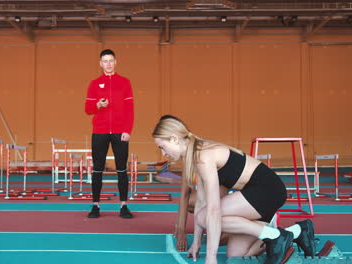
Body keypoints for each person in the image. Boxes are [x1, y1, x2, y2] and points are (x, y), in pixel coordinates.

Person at [152, 115, 316, 264]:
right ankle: (297, 231)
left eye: (162, 147)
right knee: (236, 255)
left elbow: (213, 210)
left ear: (174, 139)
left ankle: (276, 236)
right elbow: (202, 201)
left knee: (205, 217)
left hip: (267, 191)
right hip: (256, 196)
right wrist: (196, 242)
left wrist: (211, 257)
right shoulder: (195, 157)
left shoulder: (203, 155)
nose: (163, 153)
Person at [85, 49, 134, 219]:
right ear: (100, 63)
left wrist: (127, 130)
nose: (108, 64)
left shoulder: (125, 83)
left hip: (120, 132)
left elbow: (130, 110)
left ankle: (124, 206)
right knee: (97, 170)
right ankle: (95, 205)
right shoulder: (94, 84)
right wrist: (98, 105)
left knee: (122, 169)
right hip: (100, 131)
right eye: (105, 61)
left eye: (111, 60)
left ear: (115, 62)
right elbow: (87, 109)